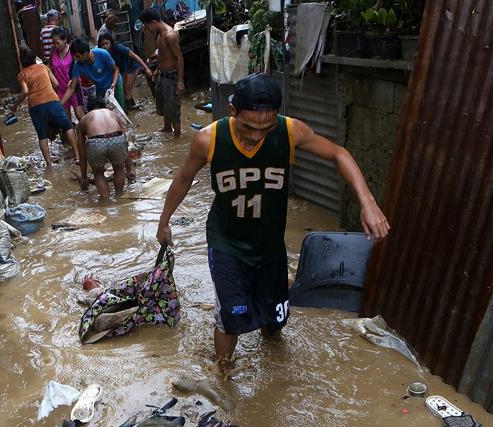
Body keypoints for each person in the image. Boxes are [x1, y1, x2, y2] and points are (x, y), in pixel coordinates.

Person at [155, 74, 391, 372]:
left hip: (269, 245)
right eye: (248, 127)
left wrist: (368, 203)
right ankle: (223, 378)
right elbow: (184, 179)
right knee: (230, 319)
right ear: (233, 112)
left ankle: (275, 370)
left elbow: (338, 154)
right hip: (226, 242)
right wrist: (164, 222)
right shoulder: (209, 139)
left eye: (265, 128)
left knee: (275, 324)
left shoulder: (290, 131)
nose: (256, 135)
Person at [10, 47, 81, 167]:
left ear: (22, 62)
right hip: (52, 100)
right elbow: (56, 84)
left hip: (35, 106)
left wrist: (15, 105)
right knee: (67, 125)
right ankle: (77, 155)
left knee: (42, 134)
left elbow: (25, 91)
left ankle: (49, 164)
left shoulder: (22, 75)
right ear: (33, 58)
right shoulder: (43, 67)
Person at [139, 7, 183, 136]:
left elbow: (179, 58)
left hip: (171, 76)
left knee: (173, 109)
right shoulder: (159, 35)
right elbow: (163, 56)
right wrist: (157, 70)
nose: (148, 29)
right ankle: (167, 128)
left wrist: (180, 82)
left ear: (153, 22)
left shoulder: (170, 35)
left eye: (147, 26)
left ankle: (177, 139)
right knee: (163, 104)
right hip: (163, 75)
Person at [76, 106, 130, 198]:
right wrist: (129, 168)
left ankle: (105, 201)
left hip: (96, 142)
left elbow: (82, 153)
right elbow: (125, 142)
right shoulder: (114, 115)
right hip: (117, 138)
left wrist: (84, 177)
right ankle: (119, 197)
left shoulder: (83, 121)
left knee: (98, 173)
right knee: (119, 168)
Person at [97, 32, 153, 110]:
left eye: (107, 43)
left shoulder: (118, 47)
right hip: (122, 69)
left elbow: (134, 55)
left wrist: (146, 68)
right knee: (124, 89)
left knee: (127, 89)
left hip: (131, 67)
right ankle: (130, 107)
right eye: (103, 45)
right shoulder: (102, 53)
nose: (105, 46)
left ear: (111, 42)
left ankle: (130, 109)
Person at [60, 38, 118, 111]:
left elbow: (116, 69)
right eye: (74, 56)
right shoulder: (78, 65)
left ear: (86, 53)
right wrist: (60, 104)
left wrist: (114, 83)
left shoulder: (102, 54)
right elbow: (72, 88)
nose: (76, 59)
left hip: (114, 83)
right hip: (100, 87)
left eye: (78, 56)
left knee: (119, 111)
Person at [49, 26, 85, 120]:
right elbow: (50, 68)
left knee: (80, 115)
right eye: (53, 43)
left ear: (65, 40)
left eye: (57, 43)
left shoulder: (72, 51)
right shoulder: (53, 51)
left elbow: (80, 66)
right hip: (60, 90)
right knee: (66, 120)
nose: (55, 45)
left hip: (74, 87)